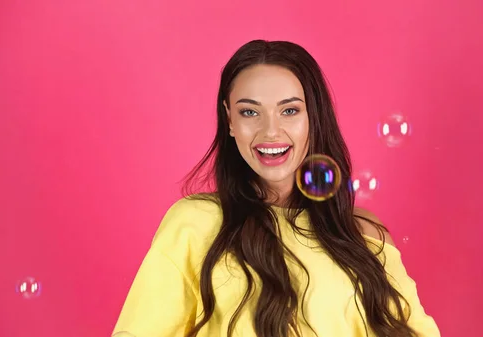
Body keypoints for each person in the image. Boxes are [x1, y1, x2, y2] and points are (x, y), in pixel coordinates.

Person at [112, 40, 440, 337]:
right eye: (250, 112)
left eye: (290, 110)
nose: (271, 131)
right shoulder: (196, 223)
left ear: (314, 116)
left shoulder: (364, 234)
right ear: (229, 120)